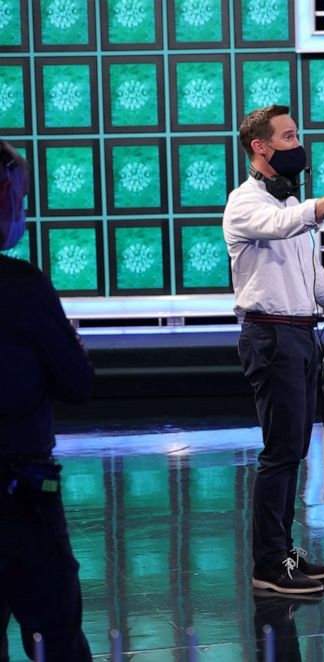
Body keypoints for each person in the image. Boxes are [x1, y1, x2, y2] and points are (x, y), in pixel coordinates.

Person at [224, 105, 324, 595]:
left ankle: (283, 551)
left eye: (296, 135)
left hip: (301, 335)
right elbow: (286, 224)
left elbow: (308, 270)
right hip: (270, 337)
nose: (297, 144)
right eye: (288, 137)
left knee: (293, 451)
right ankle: (268, 565)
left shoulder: (286, 201)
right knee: (280, 452)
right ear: (260, 147)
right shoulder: (245, 203)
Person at [0, 142, 94, 659]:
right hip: (20, 496)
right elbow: (77, 383)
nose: (22, 211)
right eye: (19, 197)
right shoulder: (22, 286)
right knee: (54, 632)